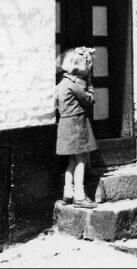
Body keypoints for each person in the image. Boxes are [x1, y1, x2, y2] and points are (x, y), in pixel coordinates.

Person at [56, 47, 98, 208]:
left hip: (65, 125)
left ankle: (68, 194)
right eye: (87, 65)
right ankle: (80, 196)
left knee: (71, 161)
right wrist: (90, 88)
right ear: (76, 67)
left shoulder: (62, 83)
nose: (89, 68)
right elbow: (88, 100)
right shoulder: (74, 85)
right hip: (77, 126)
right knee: (82, 160)